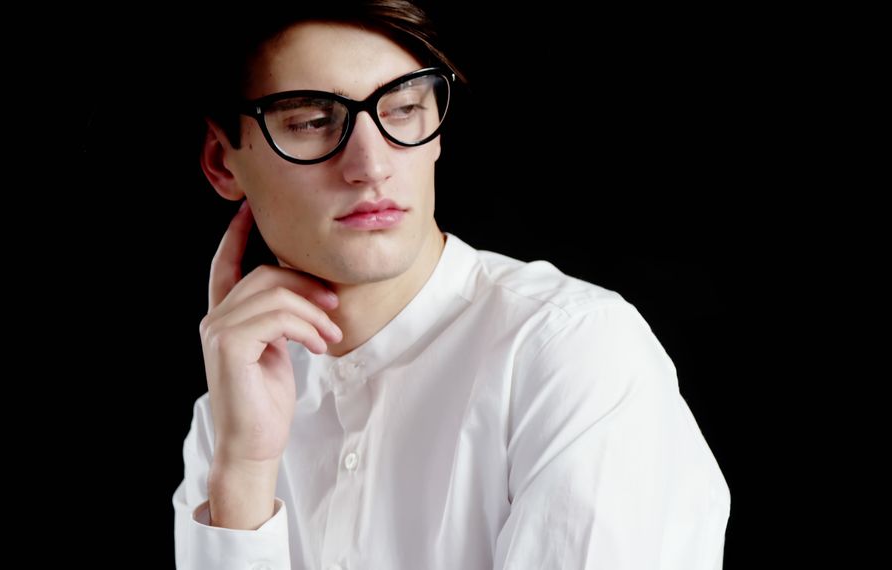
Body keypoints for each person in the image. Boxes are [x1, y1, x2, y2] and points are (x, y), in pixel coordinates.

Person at [173, 3, 730, 568]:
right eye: (313, 122)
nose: (372, 163)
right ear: (222, 161)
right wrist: (243, 470)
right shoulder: (231, 410)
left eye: (404, 108)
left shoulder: (571, 351)